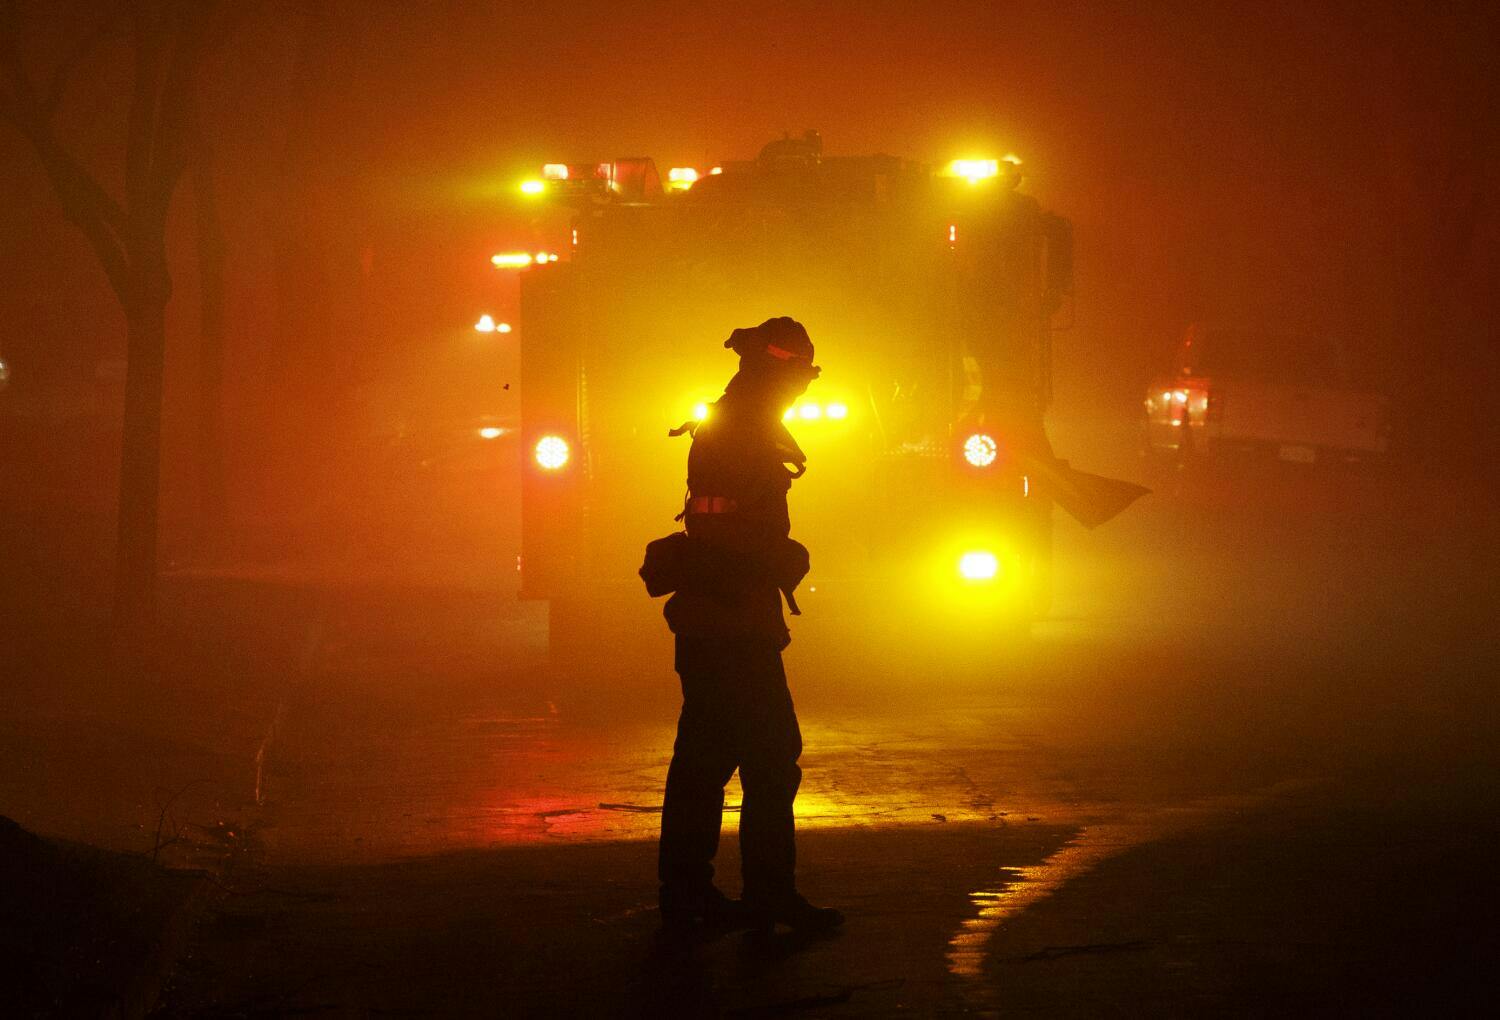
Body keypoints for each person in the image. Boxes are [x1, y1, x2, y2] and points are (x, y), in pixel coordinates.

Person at [641, 316, 844, 936]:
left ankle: (690, 893)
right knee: (769, 756)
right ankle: (766, 897)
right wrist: (778, 557)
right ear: (775, 373)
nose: (802, 392)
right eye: (798, 379)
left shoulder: (740, 423)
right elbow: (722, 530)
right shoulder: (741, 430)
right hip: (729, 620)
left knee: (705, 755)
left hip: (721, 617)